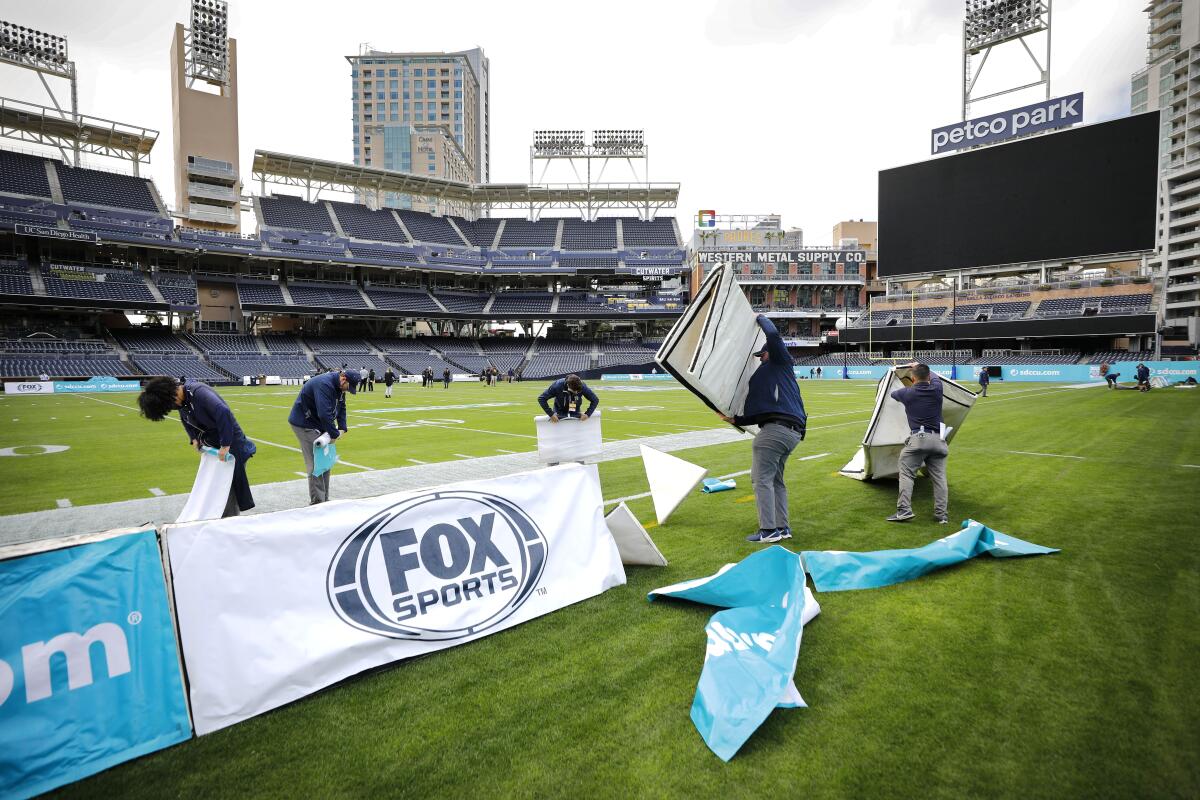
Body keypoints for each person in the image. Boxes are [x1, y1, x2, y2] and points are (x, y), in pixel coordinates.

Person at [716, 314, 807, 544]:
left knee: (761, 480)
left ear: (770, 353)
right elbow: (761, 412)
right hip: (792, 432)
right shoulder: (782, 376)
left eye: (761, 355)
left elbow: (774, 335)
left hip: (775, 432)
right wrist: (736, 420)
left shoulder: (779, 362)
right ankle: (782, 527)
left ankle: (768, 531)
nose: (759, 359)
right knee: (776, 481)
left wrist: (759, 317)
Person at [137, 376, 256, 517]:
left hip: (232, 446)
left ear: (172, 394)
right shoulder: (182, 402)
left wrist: (225, 445)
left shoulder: (199, 392)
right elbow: (185, 418)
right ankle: (222, 517)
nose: (173, 408)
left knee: (229, 487)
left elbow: (223, 412)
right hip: (214, 445)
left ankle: (230, 521)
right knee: (217, 486)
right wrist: (193, 438)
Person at [887, 363, 949, 524]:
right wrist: (921, 366)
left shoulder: (907, 393)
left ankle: (904, 511)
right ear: (928, 377)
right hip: (939, 440)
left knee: (907, 474)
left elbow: (893, 394)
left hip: (919, 439)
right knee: (940, 478)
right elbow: (934, 377)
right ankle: (941, 515)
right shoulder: (936, 389)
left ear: (913, 378)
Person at [288, 369, 361, 504]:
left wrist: (342, 427)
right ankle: (317, 503)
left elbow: (342, 406)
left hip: (319, 424)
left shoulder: (339, 387)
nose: (347, 390)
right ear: (343, 379)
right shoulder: (324, 384)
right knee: (316, 464)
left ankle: (324, 499)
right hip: (304, 424)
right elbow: (324, 413)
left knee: (325, 462)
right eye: (348, 387)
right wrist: (333, 434)